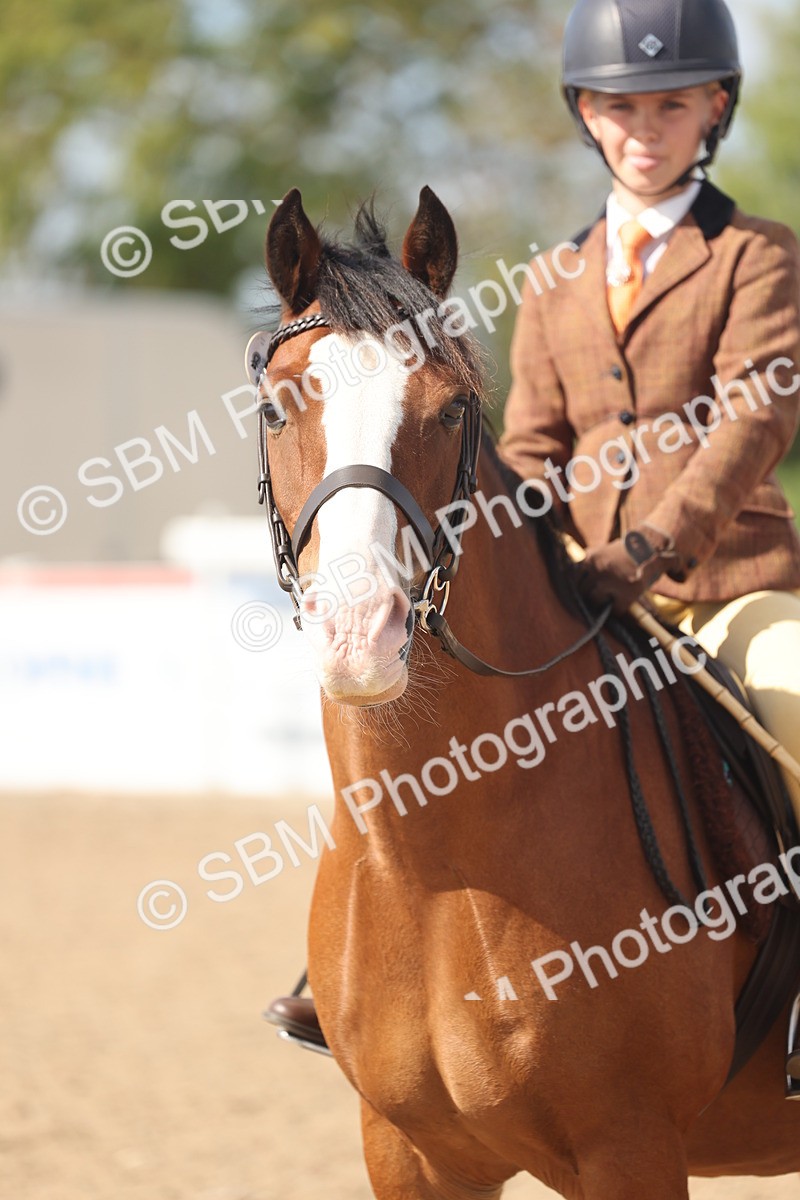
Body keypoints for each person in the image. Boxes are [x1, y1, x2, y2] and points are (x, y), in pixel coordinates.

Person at [266, 0, 800, 1081]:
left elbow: (754, 417)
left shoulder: (758, 256)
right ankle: (353, 961)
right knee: (414, 720)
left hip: (725, 583)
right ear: (586, 116)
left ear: (714, 110)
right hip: (580, 587)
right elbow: (531, 445)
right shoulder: (554, 277)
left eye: (670, 106)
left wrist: (654, 544)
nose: (643, 128)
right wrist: (519, 546)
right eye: (620, 108)